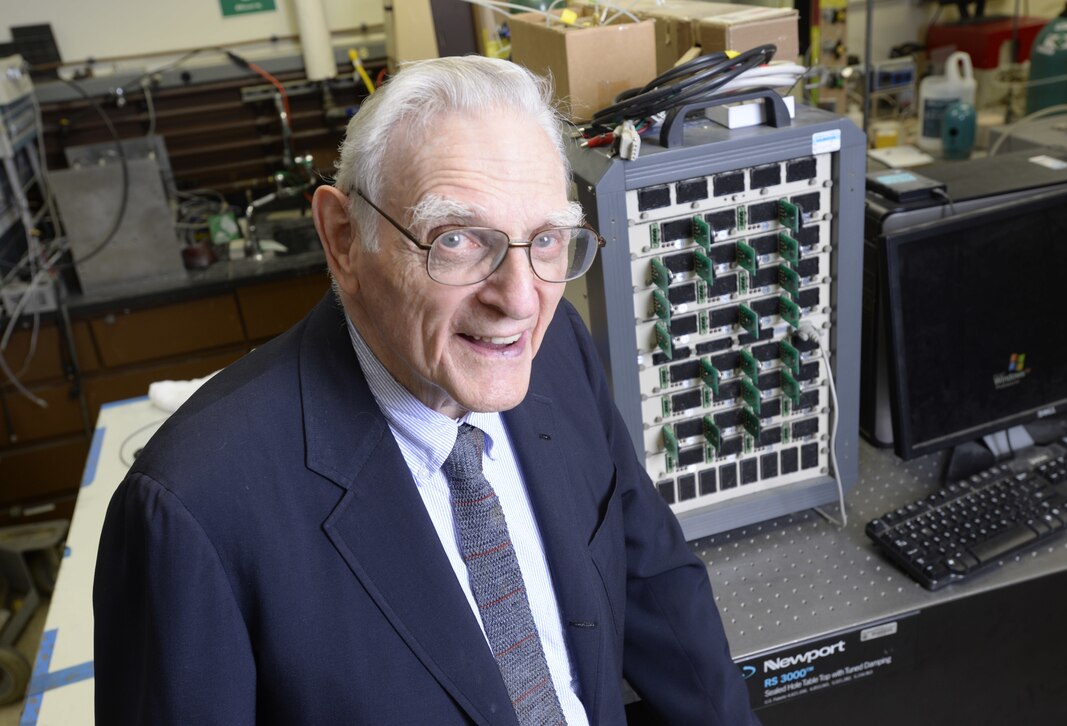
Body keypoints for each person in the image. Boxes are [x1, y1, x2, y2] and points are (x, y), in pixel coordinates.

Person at [93, 55, 759, 725]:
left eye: (547, 239)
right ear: (344, 239)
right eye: (461, 240)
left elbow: (657, 586)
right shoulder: (194, 510)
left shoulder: (557, 354)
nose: (521, 301)